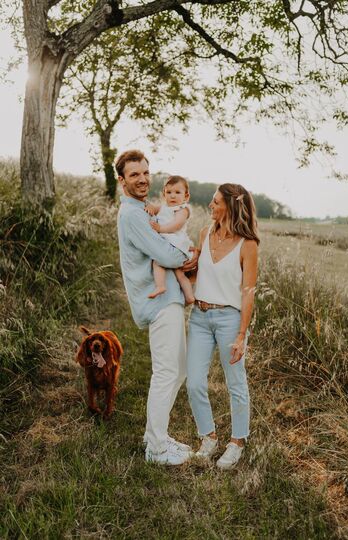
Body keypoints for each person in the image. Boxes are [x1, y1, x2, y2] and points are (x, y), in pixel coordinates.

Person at [115, 149, 197, 466]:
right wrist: (186, 258)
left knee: (177, 370)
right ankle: (156, 450)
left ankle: (156, 436)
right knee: (166, 372)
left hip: (169, 298)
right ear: (122, 180)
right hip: (158, 300)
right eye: (135, 174)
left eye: (146, 172)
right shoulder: (133, 215)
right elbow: (164, 254)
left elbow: (167, 241)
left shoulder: (144, 209)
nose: (143, 179)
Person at [186, 183, 259, 470]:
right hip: (200, 317)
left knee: (236, 382)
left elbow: (248, 291)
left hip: (229, 319)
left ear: (230, 206)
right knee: (193, 382)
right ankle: (209, 437)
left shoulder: (248, 244)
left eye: (216, 202)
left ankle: (237, 441)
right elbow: (196, 276)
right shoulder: (204, 234)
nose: (211, 206)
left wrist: (242, 335)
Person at [145, 175, 195, 304]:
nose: (172, 196)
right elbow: (153, 208)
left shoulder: (182, 209)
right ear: (164, 194)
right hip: (172, 247)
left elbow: (176, 225)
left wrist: (160, 228)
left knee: (157, 261)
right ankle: (189, 297)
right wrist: (149, 207)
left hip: (177, 247)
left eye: (177, 192)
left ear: (186, 196)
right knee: (180, 275)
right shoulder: (163, 207)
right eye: (169, 192)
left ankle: (160, 285)